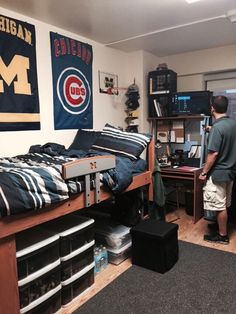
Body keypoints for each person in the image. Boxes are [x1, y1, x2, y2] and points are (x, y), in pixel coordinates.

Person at [199, 95, 236, 244]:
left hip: (218, 174)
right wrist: (210, 129)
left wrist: (204, 172)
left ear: (212, 108)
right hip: (230, 172)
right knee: (224, 203)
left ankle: (222, 236)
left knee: (219, 206)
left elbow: (213, 154)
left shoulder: (217, 128)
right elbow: (225, 137)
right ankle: (219, 227)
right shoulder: (232, 124)